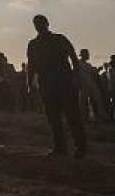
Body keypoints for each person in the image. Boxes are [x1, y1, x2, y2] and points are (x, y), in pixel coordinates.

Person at [27, 15, 87, 157]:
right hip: (46, 84)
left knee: (73, 116)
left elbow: (74, 58)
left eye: (41, 22)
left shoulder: (59, 39)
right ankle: (60, 148)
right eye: (36, 23)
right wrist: (29, 84)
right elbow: (31, 65)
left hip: (64, 82)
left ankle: (80, 148)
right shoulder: (33, 44)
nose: (39, 25)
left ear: (47, 23)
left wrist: (76, 77)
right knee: (53, 119)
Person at [75, 49, 108, 122]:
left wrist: (98, 70)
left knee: (98, 98)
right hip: (83, 84)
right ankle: (83, 117)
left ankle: (100, 115)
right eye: (87, 54)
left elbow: (93, 73)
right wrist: (77, 83)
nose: (88, 55)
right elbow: (75, 73)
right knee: (83, 101)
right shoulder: (77, 63)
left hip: (91, 83)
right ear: (83, 55)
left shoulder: (88, 65)